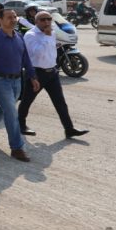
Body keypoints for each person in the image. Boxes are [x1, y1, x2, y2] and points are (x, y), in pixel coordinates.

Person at [0, 9, 39, 162]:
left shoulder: (19, 37)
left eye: (15, 17)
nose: (13, 19)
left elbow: (26, 59)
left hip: (17, 80)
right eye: (9, 17)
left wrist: (33, 77)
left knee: (5, 109)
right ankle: (17, 147)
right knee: (11, 112)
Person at [20, 11, 89, 140]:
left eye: (49, 19)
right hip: (37, 73)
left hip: (52, 72)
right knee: (27, 101)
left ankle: (69, 129)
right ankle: (21, 125)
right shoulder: (30, 35)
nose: (46, 22)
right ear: (36, 21)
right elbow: (37, 53)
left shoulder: (51, 33)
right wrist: (46, 36)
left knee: (60, 102)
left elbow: (52, 50)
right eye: (43, 20)